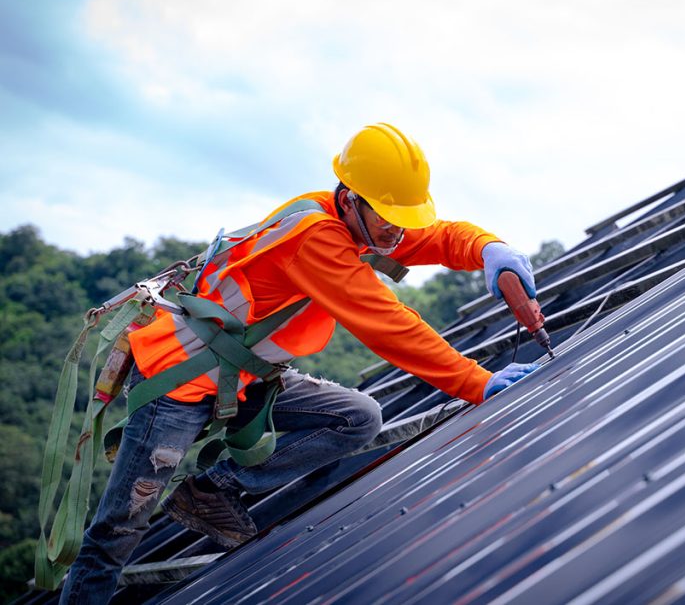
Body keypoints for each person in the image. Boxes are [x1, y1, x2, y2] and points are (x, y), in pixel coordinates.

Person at [59, 123, 541, 604]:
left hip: (242, 374)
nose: (397, 232)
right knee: (117, 534)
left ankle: (211, 490)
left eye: (402, 218)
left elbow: (433, 236)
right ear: (352, 198)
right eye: (389, 218)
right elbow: (387, 323)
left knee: (358, 418)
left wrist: (487, 248)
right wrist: (476, 382)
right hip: (178, 381)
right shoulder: (315, 236)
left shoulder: (362, 221)